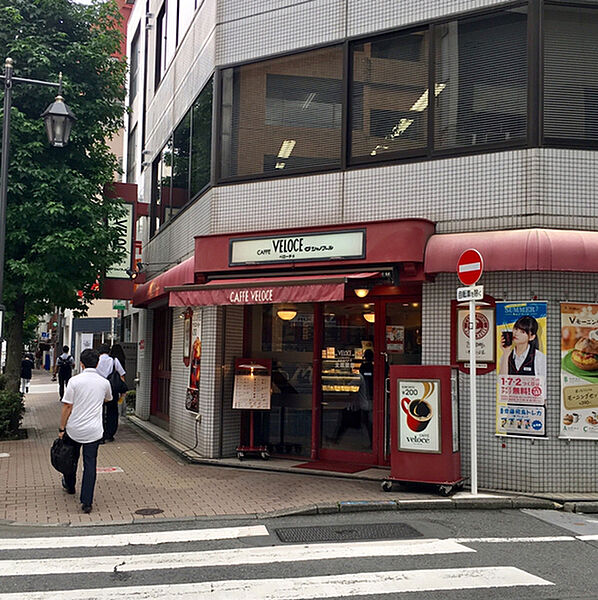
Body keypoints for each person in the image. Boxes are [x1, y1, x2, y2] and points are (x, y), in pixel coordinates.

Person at [58, 348, 112, 514]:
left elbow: (67, 405)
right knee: (90, 464)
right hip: (94, 431)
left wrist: (62, 428)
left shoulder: (75, 381)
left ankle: (70, 484)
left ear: (81, 364)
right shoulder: (104, 382)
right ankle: (87, 502)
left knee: (70, 458)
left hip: (74, 428)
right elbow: (108, 398)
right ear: (97, 363)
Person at [96, 343, 126, 442]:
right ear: (109, 351)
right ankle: (109, 433)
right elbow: (122, 375)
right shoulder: (114, 360)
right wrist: (122, 390)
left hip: (99, 389)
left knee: (98, 412)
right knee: (112, 412)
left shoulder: (96, 361)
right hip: (112, 389)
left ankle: (100, 434)